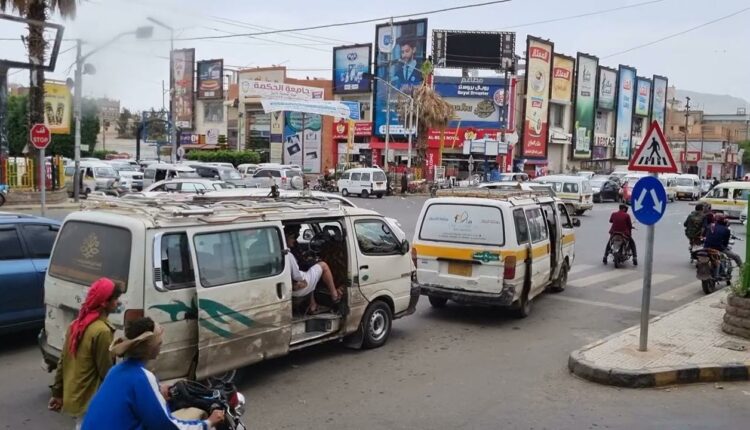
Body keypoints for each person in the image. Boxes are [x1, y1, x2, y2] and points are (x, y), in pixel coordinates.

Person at [82, 317, 224, 430]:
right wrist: (208, 422)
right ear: (148, 347)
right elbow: (167, 426)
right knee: (196, 413)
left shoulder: (116, 371)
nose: (161, 345)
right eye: (159, 343)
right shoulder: (142, 377)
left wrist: (156, 392)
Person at [49, 278, 122, 429]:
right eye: (115, 299)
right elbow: (106, 372)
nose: (117, 303)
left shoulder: (76, 325)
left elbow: (63, 361)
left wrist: (57, 392)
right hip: (91, 399)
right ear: (104, 303)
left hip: (76, 396)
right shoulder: (102, 331)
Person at [284, 225, 344, 314]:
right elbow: (297, 276)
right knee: (323, 266)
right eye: (293, 237)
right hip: (298, 287)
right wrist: (302, 281)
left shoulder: (277, 251)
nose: (295, 239)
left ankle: (313, 305)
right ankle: (335, 296)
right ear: (286, 237)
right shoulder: (288, 254)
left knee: (311, 272)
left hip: (287, 286)